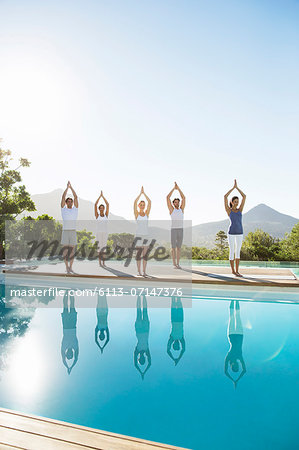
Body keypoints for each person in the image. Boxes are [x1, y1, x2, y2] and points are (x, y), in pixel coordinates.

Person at [224, 179, 246, 276]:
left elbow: (244, 196)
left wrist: (237, 188)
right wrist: (233, 188)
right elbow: (225, 196)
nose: (237, 203)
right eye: (235, 201)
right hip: (231, 233)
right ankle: (233, 271)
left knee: (238, 252)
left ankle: (237, 271)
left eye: (238, 201)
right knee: (232, 250)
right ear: (232, 202)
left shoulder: (240, 210)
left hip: (240, 233)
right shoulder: (229, 211)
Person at [224, 300, 246, 388]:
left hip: (232, 334)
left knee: (231, 316)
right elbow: (244, 370)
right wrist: (237, 380)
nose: (236, 366)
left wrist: (233, 380)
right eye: (237, 367)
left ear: (232, 366)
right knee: (237, 315)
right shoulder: (239, 357)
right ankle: (237, 299)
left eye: (234, 367)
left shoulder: (229, 357)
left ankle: (232, 298)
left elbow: (225, 372)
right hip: (240, 335)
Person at [60, 181, 79, 274]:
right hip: (65, 231)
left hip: (72, 231)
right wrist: (67, 188)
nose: (70, 202)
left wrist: (71, 188)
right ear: (66, 203)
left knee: (72, 251)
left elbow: (76, 197)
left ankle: (71, 267)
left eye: (71, 201)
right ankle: (66, 267)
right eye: (68, 201)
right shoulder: (63, 209)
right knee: (65, 251)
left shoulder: (75, 209)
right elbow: (62, 197)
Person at [166, 182, 186, 268]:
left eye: (178, 202)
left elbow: (184, 197)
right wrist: (174, 189)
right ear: (173, 203)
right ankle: (174, 264)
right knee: (173, 248)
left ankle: (178, 263)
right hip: (174, 229)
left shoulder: (181, 209)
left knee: (179, 248)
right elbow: (167, 197)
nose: (177, 203)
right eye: (175, 202)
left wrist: (179, 189)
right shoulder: (171, 210)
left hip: (180, 229)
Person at [134, 186, 151, 277]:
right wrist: (140, 194)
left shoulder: (146, 214)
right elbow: (134, 202)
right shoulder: (137, 214)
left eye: (143, 205)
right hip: (138, 235)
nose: (142, 206)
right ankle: (139, 271)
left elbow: (150, 202)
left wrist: (144, 194)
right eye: (141, 205)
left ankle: (144, 271)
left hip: (146, 235)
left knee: (145, 255)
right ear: (138, 206)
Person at [61, 290, 79, 374]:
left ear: (66, 353)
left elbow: (63, 359)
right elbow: (76, 358)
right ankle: (70, 291)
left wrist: (68, 366)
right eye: (71, 354)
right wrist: (71, 366)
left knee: (65, 306)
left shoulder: (64, 347)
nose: (70, 353)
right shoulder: (75, 347)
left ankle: (66, 291)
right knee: (72, 306)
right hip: (71, 325)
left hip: (66, 325)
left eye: (68, 355)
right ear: (72, 353)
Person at [134, 295, 151, 379]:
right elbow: (150, 363)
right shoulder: (145, 351)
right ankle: (142, 296)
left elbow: (135, 364)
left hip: (142, 330)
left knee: (141, 311)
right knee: (143, 311)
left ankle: (140, 295)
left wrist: (142, 372)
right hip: (142, 330)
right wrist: (142, 372)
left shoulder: (138, 351)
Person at [167, 297, 185, 365]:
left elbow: (168, 351)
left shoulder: (172, 338)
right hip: (179, 319)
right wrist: (177, 359)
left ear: (173, 344)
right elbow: (183, 350)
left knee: (174, 302)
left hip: (175, 320)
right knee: (178, 302)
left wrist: (174, 359)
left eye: (176, 345)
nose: (177, 344)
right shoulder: (181, 338)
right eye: (178, 345)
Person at [94, 190, 109, 267]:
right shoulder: (97, 215)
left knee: (104, 248)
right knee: (100, 248)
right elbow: (95, 204)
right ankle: (100, 262)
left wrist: (103, 196)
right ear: (99, 209)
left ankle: (103, 263)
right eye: (101, 208)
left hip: (105, 233)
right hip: (99, 233)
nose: (102, 209)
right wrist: (100, 196)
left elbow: (107, 204)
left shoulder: (106, 215)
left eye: (103, 208)